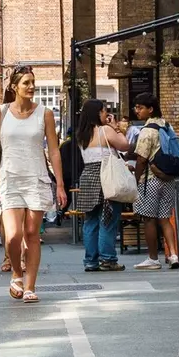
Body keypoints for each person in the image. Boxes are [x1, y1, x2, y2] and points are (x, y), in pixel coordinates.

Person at [0, 66, 67, 303]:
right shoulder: (0, 112)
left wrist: (59, 183)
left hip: (36, 178)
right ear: (14, 87)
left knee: (31, 233)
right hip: (10, 178)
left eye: (33, 82)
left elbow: (53, 150)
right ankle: (17, 274)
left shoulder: (45, 113)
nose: (31, 87)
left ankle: (30, 286)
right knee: (13, 235)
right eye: (26, 83)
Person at [74, 99, 132, 272]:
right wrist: (115, 127)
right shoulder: (105, 130)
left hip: (88, 177)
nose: (106, 114)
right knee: (108, 219)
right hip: (106, 176)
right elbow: (125, 145)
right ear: (97, 113)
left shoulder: (81, 134)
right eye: (104, 111)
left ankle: (90, 261)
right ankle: (107, 259)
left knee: (90, 222)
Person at [129, 92, 179, 270]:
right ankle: (173, 255)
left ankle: (153, 259)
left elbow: (141, 159)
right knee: (165, 218)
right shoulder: (167, 126)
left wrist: (135, 181)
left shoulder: (147, 130)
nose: (137, 111)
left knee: (149, 219)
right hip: (167, 178)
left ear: (150, 109)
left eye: (140, 107)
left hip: (150, 180)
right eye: (136, 107)